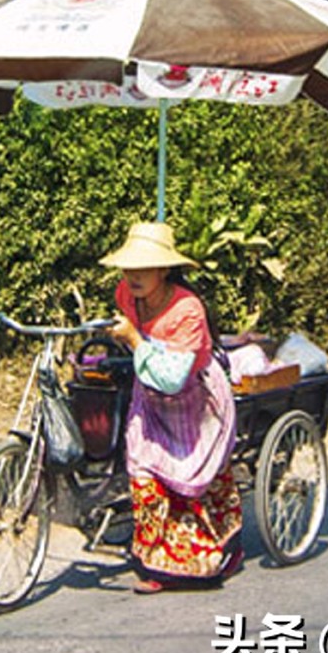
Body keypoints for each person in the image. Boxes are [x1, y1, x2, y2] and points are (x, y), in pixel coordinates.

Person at [103, 221, 242, 594]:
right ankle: (155, 564)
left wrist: (135, 340)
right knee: (143, 470)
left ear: (164, 270)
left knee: (195, 477)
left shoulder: (187, 310)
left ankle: (213, 552)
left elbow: (172, 379)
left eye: (144, 268)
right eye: (129, 268)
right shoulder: (125, 295)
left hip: (195, 402)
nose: (133, 277)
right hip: (149, 398)